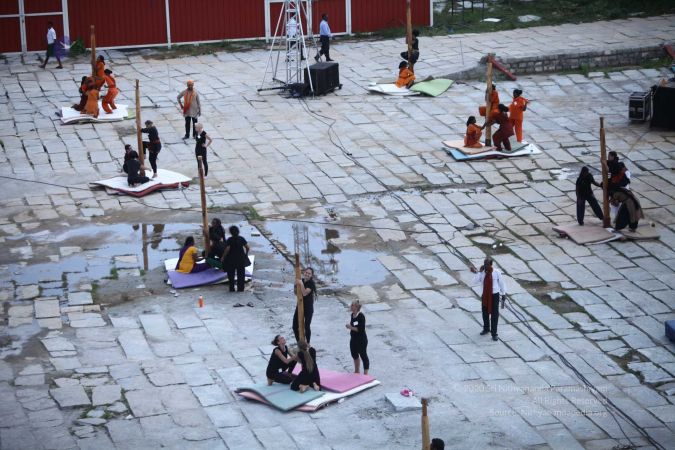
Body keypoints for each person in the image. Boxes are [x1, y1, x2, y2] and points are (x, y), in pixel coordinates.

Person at [470, 257, 506, 341]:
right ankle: (486, 328)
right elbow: (474, 281)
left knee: (494, 314)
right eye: (484, 264)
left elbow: (501, 283)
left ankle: (494, 333)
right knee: (485, 312)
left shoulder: (496, 272)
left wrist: (503, 293)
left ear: (491, 265)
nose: (485, 266)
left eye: (487, 264)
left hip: (494, 295)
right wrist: (479, 272)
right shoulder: (482, 273)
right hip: (485, 295)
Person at [222, 225, 250, 292]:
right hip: (241, 259)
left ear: (230, 232)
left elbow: (227, 249)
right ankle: (241, 288)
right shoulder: (241, 238)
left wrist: (223, 257)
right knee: (241, 274)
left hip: (231, 260)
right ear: (238, 231)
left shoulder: (229, 239)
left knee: (231, 275)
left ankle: (232, 288)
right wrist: (246, 254)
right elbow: (247, 247)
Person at [293, 267, 317, 344]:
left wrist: (301, 284)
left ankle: (308, 343)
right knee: (294, 326)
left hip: (308, 308)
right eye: (306, 272)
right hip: (300, 305)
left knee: (306, 327)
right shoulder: (302, 280)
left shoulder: (311, 283)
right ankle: (299, 343)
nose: (307, 274)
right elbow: (296, 293)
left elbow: (304, 293)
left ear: (311, 275)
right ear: (304, 273)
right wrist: (295, 285)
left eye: (309, 273)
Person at [346, 301, 369, 375]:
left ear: (356, 307)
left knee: (363, 355)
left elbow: (360, 329)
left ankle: (366, 374)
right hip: (353, 339)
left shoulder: (361, 316)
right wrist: (351, 326)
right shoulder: (352, 315)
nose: (351, 306)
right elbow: (353, 324)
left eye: (352, 305)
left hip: (361, 340)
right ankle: (357, 371)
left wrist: (350, 327)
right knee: (354, 354)